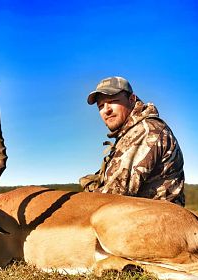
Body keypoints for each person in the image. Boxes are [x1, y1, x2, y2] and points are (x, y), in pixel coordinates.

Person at [79, 76, 185, 206]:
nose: (106, 110)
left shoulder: (146, 130)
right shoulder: (129, 133)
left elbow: (113, 196)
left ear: (132, 99)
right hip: (139, 215)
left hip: (155, 220)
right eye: (101, 106)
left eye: (113, 101)